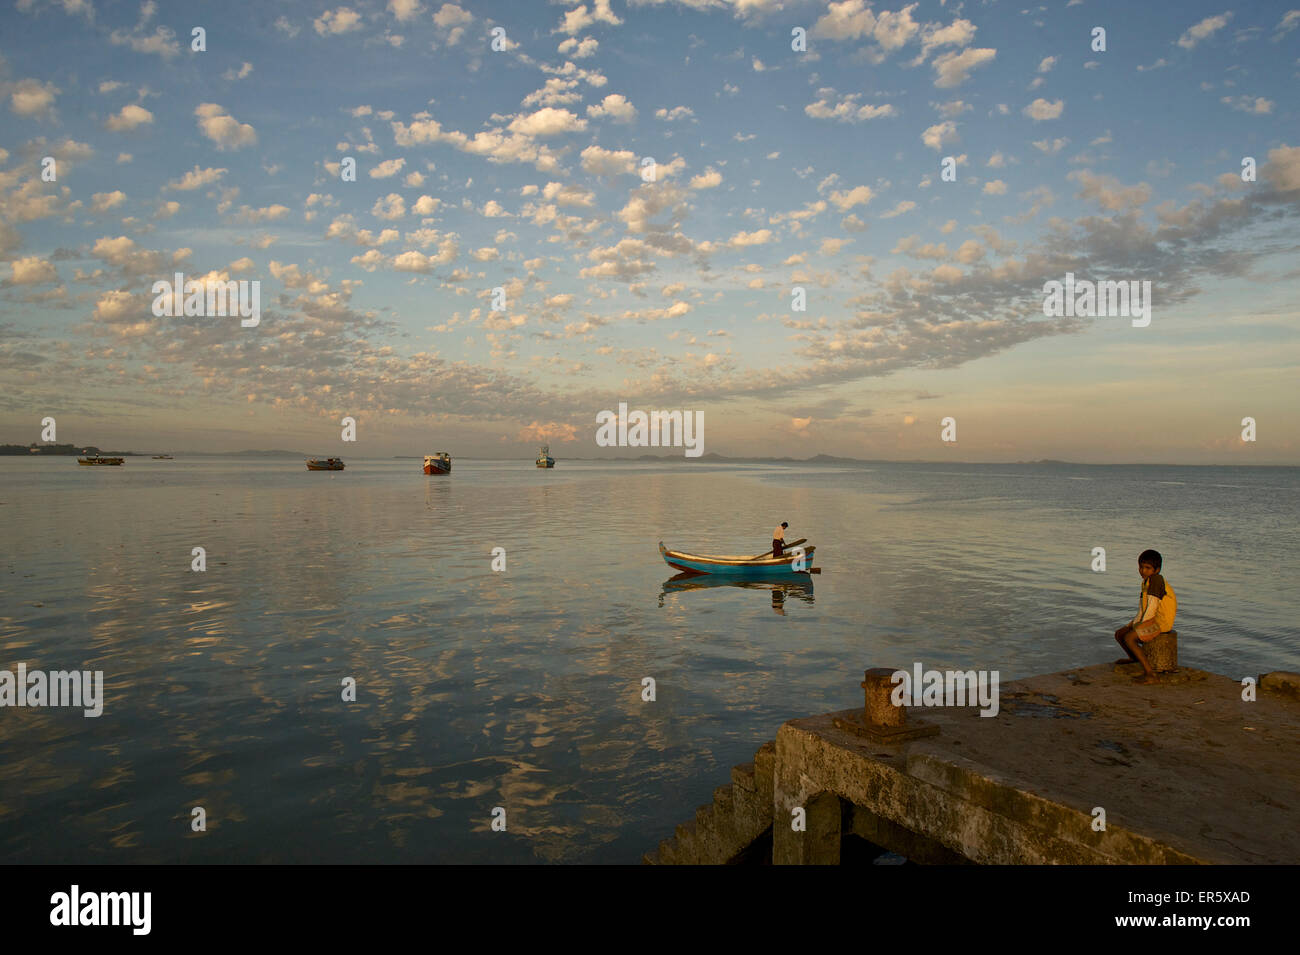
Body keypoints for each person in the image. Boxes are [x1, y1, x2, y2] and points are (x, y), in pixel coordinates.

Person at [1113, 549, 1177, 684]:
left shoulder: (1156, 580)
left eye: (1147, 568)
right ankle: (1135, 657)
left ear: (1157, 569)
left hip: (1161, 622)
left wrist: (1140, 625)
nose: (1143, 571)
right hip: (1151, 618)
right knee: (1120, 634)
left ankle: (1151, 674)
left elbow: (1152, 606)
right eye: (1141, 567)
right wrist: (1133, 623)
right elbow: (1143, 608)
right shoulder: (1146, 582)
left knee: (1130, 638)